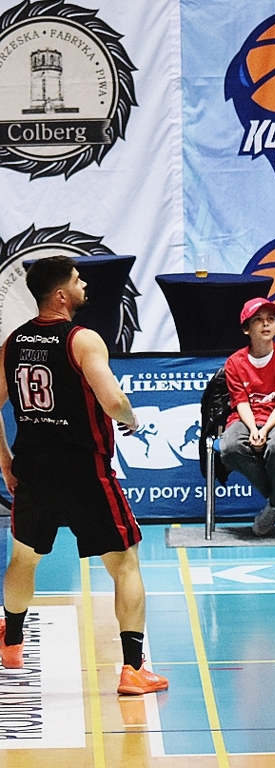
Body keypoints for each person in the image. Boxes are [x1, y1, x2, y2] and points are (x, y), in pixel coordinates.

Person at [0, 257, 168, 695]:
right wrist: (130, 418)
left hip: (33, 468)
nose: (84, 284)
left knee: (23, 560)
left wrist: (5, 460)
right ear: (61, 295)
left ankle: (12, 642)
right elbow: (112, 401)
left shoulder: (14, 342)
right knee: (125, 564)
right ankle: (133, 669)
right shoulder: (82, 339)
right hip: (84, 470)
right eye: (77, 280)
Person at [218, 297, 275, 536]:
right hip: (246, 418)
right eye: (258, 320)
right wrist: (254, 429)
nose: (266, 324)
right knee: (230, 448)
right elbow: (241, 403)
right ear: (246, 329)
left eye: (270, 319)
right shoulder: (234, 362)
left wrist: (264, 430)